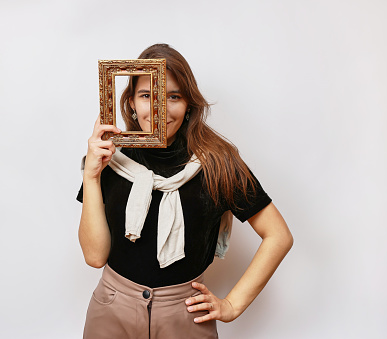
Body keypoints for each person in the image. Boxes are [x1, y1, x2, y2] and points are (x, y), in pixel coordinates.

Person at [77, 43, 293, 339]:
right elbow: (95, 257)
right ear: (130, 102)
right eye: (146, 95)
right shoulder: (109, 158)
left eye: (173, 96)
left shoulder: (218, 163)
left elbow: (278, 235)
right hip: (112, 310)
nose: (159, 108)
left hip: (185, 316)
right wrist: (91, 176)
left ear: (189, 103)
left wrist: (231, 305)